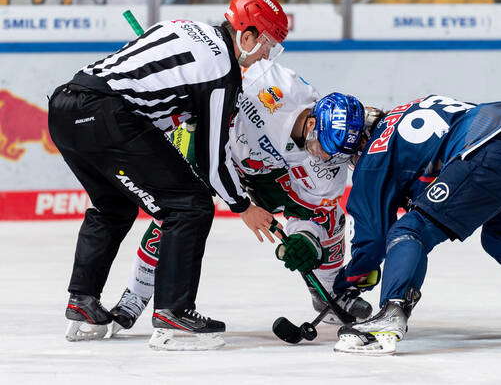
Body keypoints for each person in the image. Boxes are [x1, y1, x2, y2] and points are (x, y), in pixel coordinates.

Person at [48, 0, 288, 350]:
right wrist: (243, 206)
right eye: (268, 43)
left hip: (65, 107)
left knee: (114, 206)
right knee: (190, 206)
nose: (268, 53)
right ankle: (174, 313)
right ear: (247, 34)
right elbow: (211, 162)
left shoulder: (181, 25)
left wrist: (184, 116)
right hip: (106, 115)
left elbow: (147, 91)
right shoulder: (222, 69)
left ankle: (82, 300)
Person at [281, 94, 501, 355]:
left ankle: (391, 316)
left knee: (409, 231)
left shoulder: (373, 158)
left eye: (321, 146)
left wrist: (346, 283)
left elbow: (373, 240)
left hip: (486, 155)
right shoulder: (404, 112)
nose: (321, 155)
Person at [104, 60, 377, 336]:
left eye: (335, 154)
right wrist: (198, 104)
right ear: (312, 119)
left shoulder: (329, 168)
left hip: (270, 179)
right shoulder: (271, 82)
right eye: (321, 145)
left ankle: (328, 294)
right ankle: (135, 296)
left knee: (331, 220)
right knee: (178, 213)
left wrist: (305, 240)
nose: (325, 157)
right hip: (214, 148)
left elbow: (311, 210)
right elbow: (219, 75)